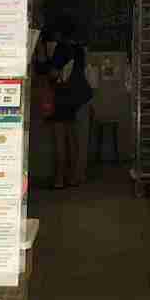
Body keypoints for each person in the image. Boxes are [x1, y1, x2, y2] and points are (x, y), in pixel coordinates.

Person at [39, 15, 93, 189]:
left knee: (60, 139)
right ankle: (73, 177)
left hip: (61, 97)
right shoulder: (79, 49)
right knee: (72, 139)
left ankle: (59, 179)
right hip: (75, 99)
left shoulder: (61, 49)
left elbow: (54, 74)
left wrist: (44, 62)